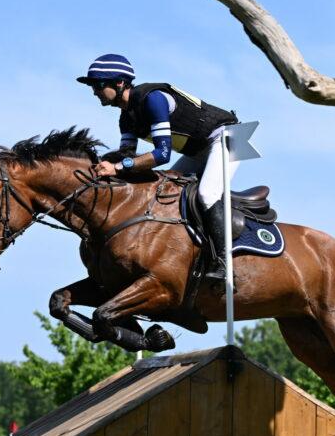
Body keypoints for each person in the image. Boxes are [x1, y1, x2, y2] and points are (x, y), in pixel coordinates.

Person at [78, 53, 239, 280]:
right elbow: (126, 155)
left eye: (98, 85)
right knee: (166, 191)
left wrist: (117, 167)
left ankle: (224, 261)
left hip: (226, 138)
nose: (94, 91)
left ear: (120, 83)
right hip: (197, 150)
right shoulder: (126, 117)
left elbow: (162, 154)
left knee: (207, 193)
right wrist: (96, 165)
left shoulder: (154, 99)